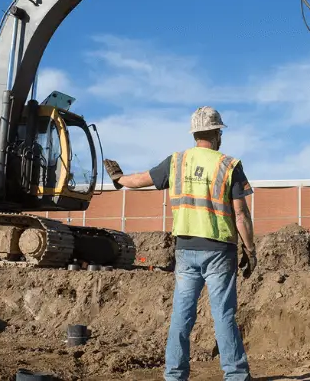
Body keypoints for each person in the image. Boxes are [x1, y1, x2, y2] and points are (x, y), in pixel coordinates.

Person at [102, 106, 256, 381]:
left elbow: (140, 180)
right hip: (220, 250)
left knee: (182, 315)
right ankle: (235, 376)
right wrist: (250, 249)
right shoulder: (229, 165)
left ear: (195, 133)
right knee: (223, 316)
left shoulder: (176, 162)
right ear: (217, 133)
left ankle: (174, 376)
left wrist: (118, 179)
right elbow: (241, 214)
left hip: (185, 249)